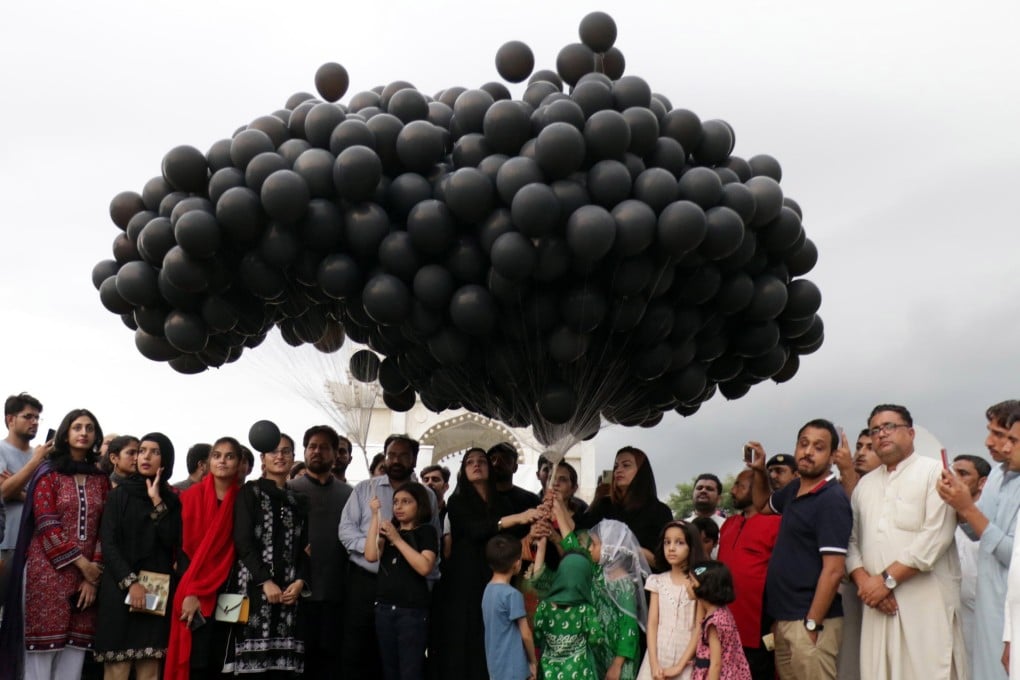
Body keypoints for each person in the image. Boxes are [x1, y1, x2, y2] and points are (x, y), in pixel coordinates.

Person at [847, 404, 966, 680]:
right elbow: (851, 542)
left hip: (924, 605)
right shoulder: (864, 486)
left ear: (911, 433)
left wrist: (886, 581)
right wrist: (866, 583)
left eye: (890, 427)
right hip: (877, 605)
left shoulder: (935, 473)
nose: (881, 434)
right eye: (875, 429)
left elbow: (936, 536)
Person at [0, 408, 109, 680]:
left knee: (74, 655)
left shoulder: (101, 479)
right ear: (65, 433)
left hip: (86, 581)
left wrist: (92, 576)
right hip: (46, 573)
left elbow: (104, 530)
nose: (83, 433)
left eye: (89, 428)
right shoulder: (48, 472)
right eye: (77, 427)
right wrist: (82, 563)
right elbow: (47, 523)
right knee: (40, 656)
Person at [747, 418, 851, 680]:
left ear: (831, 456)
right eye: (804, 444)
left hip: (810, 622)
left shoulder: (831, 499)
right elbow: (761, 505)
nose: (808, 452)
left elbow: (834, 570)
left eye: (818, 447)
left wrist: (812, 623)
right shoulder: (794, 489)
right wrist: (760, 470)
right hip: (784, 619)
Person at [340, 435, 441, 677]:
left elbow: (431, 545)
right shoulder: (366, 488)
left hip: (410, 595)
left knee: (408, 664)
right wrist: (375, 524)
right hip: (369, 585)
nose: (396, 460)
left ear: (414, 459)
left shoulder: (426, 497)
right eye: (391, 455)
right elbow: (347, 532)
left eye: (403, 455)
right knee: (366, 652)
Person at [436, 447, 541, 680]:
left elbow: (513, 539)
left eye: (481, 461)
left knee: (496, 638)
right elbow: (475, 530)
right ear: (463, 471)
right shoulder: (457, 501)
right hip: (465, 582)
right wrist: (516, 518)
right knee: (468, 640)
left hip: (496, 579)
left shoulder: (502, 502)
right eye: (470, 462)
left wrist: (532, 526)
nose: (476, 465)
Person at [937, 400, 1016, 680]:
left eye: (1002, 436)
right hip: (987, 608)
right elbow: (975, 532)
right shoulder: (997, 476)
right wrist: (957, 503)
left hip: (1012, 612)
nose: (991, 442)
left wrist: (967, 507)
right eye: (990, 432)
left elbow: (1012, 554)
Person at [95, 432, 182, 680]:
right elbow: (109, 544)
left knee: (149, 670)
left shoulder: (171, 501)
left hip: (156, 589)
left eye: (154, 452)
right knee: (117, 669)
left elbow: (171, 540)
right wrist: (131, 583)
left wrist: (157, 502)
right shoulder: (117, 495)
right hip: (119, 588)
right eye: (142, 450)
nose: (146, 456)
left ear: (165, 459)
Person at [227, 439, 310, 675]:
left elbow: (306, 548)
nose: (280, 456)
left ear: (294, 457)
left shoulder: (299, 500)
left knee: (283, 669)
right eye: (273, 452)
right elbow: (243, 542)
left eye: (286, 451)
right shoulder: (250, 492)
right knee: (250, 668)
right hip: (253, 589)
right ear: (263, 458)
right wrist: (266, 581)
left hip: (289, 593)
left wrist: (300, 582)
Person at [164, 436, 242, 680]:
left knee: (221, 660)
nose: (222, 461)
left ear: (239, 463)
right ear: (208, 462)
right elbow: (183, 549)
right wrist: (193, 592)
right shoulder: (190, 497)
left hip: (230, 587)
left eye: (229, 456)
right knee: (196, 660)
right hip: (193, 587)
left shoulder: (244, 500)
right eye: (217, 455)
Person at [288, 426, 351, 678]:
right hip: (297, 594)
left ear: (335, 454)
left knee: (331, 665)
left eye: (324, 447)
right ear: (304, 451)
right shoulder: (289, 490)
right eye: (312, 446)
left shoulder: (349, 494)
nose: (317, 451)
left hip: (337, 594)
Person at [365, 482, 438, 680]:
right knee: (390, 670)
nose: (398, 506)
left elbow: (424, 566)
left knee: (410, 670)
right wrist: (374, 517)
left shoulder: (426, 532)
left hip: (412, 611)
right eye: (396, 502)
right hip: (384, 609)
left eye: (406, 502)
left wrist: (397, 540)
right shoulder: (389, 531)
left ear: (419, 505)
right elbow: (371, 555)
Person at [717, 470, 781, 680]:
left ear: (758, 489)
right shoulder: (728, 524)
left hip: (757, 625)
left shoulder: (776, 523)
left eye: (740, 486)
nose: (733, 491)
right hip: (724, 623)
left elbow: (779, 575)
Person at [836, 428, 884, 680]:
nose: (861, 453)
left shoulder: (888, 487)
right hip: (851, 583)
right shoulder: (838, 486)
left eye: (869, 448)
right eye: (859, 446)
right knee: (851, 656)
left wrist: (847, 472)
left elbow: (860, 519)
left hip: (884, 584)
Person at [576, 447, 673, 568]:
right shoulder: (605, 504)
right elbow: (579, 529)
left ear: (641, 471)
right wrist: (596, 499)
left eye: (626, 465)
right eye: (616, 466)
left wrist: (630, 548)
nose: (618, 470)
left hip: (644, 582)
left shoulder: (659, 511)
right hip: (603, 579)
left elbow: (665, 561)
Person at [637, 521, 706, 680]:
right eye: (667, 542)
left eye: (679, 542)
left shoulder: (698, 584)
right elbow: (653, 623)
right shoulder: (657, 581)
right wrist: (653, 663)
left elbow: (698, 626)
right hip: (658, 654)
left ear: (692, 546)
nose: (671, 548)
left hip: (686, 656)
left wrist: (680, 666)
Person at [528, 535, 604, 679]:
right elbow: (596, 639)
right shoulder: (585, 609)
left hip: (550, 672)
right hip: (580, 673)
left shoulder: (545, 607)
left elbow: (537, 636)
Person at [0, 393, 45, 587]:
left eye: (37, 417)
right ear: (10, 419)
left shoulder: (41, 455)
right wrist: (34, 463)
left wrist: (18, 491)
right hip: (5, 544)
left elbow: (44, 501)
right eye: (28, 416)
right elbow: (3, 493)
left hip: (34, 545)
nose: (34, 422)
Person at [481, 534, 537, 680]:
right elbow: (525, 633)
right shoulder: (512, 595)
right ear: (517, 563)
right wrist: (533, 661)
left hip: (495, 666)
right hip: (514, 667)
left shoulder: (488, 590)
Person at [689, 561, 751, 680]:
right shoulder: (722, 612)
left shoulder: (713, 623)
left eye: (692, 581)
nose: (688, 585)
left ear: (706, 587)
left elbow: (716, 664)